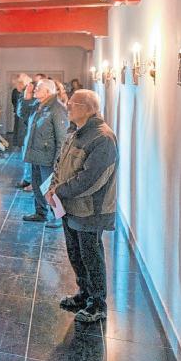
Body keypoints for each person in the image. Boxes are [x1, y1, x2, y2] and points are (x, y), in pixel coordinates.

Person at [46, 90, 117, 322]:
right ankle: (84, 294)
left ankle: (97, 304)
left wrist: (59, 191)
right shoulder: (75, 132)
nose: (67, 106)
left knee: (91, 256)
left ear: (88, 108)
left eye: (72, 103)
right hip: (69, 206)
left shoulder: (103, 138)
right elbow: (60, 164)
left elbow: (91, 180)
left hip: (90, 209)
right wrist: (53, 187)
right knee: (75, 253)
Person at [21, 80, 68, 228]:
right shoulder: (38, 105)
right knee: (37, 186)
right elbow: (22, 114)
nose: (35, 90)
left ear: (48, 91)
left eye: (38, 88)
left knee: (50, 189)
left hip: (48, 157)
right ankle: (40, 213)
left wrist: (58, 162)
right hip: (35, 155)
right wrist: (26, 97)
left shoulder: (57, 108)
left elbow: (62, 138)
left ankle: (59, 217)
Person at [16, 77, 37, 189]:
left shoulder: (37, 102)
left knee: (31, 160)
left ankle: (30, 180)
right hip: (26, 133)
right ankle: (27, 178)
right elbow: (21, 113)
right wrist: (25, 98)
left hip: (34, 135)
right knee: (26, 158)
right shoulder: (25, 99)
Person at [10, 75, 26, 147]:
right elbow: (13, 100)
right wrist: (16, 108)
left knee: (22, 128)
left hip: (24, 112)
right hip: (17, 111)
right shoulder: (15, 91)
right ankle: (16, 142)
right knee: (16, 127)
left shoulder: (26, 91)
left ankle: (21, 143)